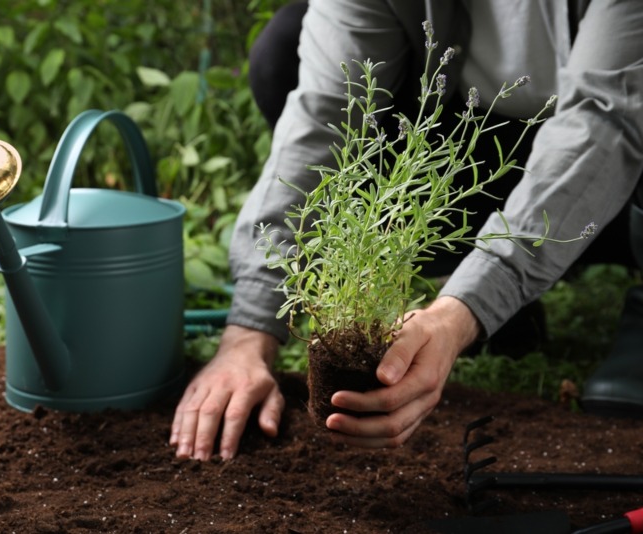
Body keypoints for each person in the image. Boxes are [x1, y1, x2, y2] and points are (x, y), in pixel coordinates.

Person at [169, 0, 643, 461]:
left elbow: (607, 121)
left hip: (614, 184)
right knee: (283, 51)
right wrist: (249, 333)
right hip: (467, 164)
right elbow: (327, 113)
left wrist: (459, 314)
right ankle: (496, 302)